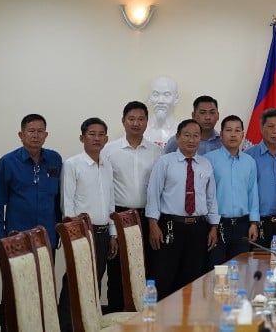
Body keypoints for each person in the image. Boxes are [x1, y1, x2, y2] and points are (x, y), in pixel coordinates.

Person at [146, 119, 219, 299]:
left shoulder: (205, 164)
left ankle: (187, 316)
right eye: (187, 135)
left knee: (192, 278)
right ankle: (160, 315)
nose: (191, 140)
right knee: (164, 276)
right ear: (177, 137)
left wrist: (214, 227)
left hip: (198, 228)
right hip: (170, 227)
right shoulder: (165, 162)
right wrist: (153, 225)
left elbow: (211, 198)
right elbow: (153, 194)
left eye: (196, 136)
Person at [102, 100, 162, 312]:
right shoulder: (109, 151)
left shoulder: (156, 152)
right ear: (123, 121)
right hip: (119, 216)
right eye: (131, 119)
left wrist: (154, 222)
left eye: (141, 119)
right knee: (117, 270)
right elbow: (106, 190)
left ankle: (143, 316)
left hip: (147, 217)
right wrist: (111, 230)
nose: (136, 123)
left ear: (147, 122)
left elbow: (158, 189)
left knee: (147, 269)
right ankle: (116, 316)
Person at [58, 117, 117, 331]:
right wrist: (73, 235)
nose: (97, 138)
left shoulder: (107, 165)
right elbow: (67, 202)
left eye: (101, 135)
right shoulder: (72, 164)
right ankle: (66, 325)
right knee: (75, 280)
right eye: (92, 134)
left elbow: (110, 201)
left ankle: (89, 323)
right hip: (81, 233)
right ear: (82, 138)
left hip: (102, 233)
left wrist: (113, 234)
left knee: (95, 280)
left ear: (106, 139)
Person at [0, 114, 62, 248]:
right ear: (21, 135)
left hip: (47, 235)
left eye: (40, 131)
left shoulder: (54, 159)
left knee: (47, 265)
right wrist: (2, 239)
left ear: (46, 135)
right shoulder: (8, 162)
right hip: (17, 236)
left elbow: (57, 198)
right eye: (31, 131)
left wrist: (58, 232)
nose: (36, 135)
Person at [205, 115, 259, 266]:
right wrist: (212, 225)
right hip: (217, 225)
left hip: (243, 225)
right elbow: (205, 195)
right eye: (228, 130)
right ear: (221, 134)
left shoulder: (249, 162)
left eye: (237, 130)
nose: (233, 134)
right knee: (215, 271)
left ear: (243, 134)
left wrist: (254, 222)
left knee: (241, 270)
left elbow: (253, 193)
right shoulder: (208, 160)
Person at [244, 108, 276, 248]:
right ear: (261, 127)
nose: (275, 131)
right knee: (257, 261)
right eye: (271, 126)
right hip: (258, 223)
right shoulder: (248, 157)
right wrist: (252, 222)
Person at [144, 76, 180, 148]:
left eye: (167, 95)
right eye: (155, 94)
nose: (160, 101)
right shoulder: (139, 131)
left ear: (176, 99)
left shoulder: (182, 131)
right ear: (149, 98)